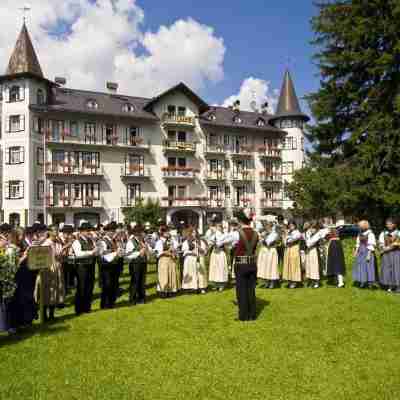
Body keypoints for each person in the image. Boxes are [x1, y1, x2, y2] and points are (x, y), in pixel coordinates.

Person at [218, 209, 259, 321]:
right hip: (252, 263)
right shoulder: (256, 233)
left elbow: (220, 241)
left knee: (241, 289)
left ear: (240, 221)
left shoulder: (236, 233)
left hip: (241, 264)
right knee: (251, 289)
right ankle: (252, 314)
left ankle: (243, 315)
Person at [34, 226, 65, 321]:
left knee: (56, 289)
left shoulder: (58, 242)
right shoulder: (46, 243)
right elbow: (50, 254)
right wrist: (64, 247)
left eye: (57, 231)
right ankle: (44, 314)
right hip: (48, 267)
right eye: (55, 231)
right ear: (50, 232)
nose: (57, 233)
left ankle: (52, 314)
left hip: (57, 266)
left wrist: (63, 249)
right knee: (48, 289)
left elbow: (61, 255)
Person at [71, 221, 97, 314]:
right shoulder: (77, 241)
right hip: (81, 267)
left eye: (89, 230)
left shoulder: (90, 241)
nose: (88, 232)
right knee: (81, 287)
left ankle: (87, 307)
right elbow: (78, 254)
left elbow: (95, 250)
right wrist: (91, 252)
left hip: (90, 265)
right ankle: (79, 309)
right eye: (86, 230)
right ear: (81, 231)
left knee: (89, 287)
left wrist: (96, 251)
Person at [97, 222, 123, 309]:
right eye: (111, 231)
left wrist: (120, 252)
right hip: (106, 266)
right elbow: (102, 254)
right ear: (107, 232)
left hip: (114, 265)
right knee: (107, 285)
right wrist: (115, 253)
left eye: (113, 231)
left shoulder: (114, 240)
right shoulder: (102, 241)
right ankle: (105, 304)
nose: (113, 233)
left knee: (114, 284)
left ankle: (112, 302)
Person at [125, 224, 148, 304]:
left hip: (143, 263)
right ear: (135, 234)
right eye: (138, 233)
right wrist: (139, 253)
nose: (140, 235)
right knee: (135, 281)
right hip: (135, 264)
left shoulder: (143, 241)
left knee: (142, 281)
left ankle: (141, 298)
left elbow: (148, 250)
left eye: (141, 233)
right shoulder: (130, 242)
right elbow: (128, 255)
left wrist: (148, 250)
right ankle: (132, 299)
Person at [181, 228, 208, 294]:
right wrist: (190, 252)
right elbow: (184, 251)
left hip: (199, 258)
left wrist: (199, 247)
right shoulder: (186, 242)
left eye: (195, 232)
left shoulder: (201, 241)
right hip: (190, 259)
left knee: (200, 274)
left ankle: (202, 287)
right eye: (192, 232)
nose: (194, 234)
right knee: (190, 273)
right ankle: (190, 287)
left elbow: (204, 252)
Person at [155, 226, 180, 298]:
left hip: (171, 260)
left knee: (171, 274)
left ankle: (171, 290)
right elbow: (158, 253)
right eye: (167, 232)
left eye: (168, 231)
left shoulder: (171, 241)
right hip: (163, 259)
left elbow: (176, 247)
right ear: (163, 233)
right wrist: (166, 252)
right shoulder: (159, 242)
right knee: (164, 275)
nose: (168, 233)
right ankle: (163, 291)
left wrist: (174, 251)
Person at [353, 220, 377, 289]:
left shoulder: (370, 234)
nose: (359, 227)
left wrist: (369, 254)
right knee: (360, 266)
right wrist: (356, 251)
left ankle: (370, 283)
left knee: (368, 267)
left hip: (367, 251)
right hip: (361, 251)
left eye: (360, 226)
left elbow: (371, 245)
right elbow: (358, 243)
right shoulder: (360, 233)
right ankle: (362, 281)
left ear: (365, 226)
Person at [379, 218, 400, 293]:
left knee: (396, 269)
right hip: (386, 254)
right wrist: (383, 248)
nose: (388, 225)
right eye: (387, 224)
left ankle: (397, 286)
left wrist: (396, 244)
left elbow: (398, 244)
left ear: (394, 224)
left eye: (390, 224)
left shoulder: (398, 233)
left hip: (396, 254)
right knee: (387, 269)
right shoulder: (383, 233)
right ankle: (389, 285)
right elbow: (381, 243)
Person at [206, 222, 228, 291]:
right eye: (217, 227)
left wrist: (217, 243)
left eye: (219, 227)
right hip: (214, 253)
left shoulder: (223, 235)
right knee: (214, 268)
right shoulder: (213, 234)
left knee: (220, 268)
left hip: (220, 253)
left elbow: (223, 243)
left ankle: (221, 284)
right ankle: (215, 284)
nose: (217, 228)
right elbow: (210, 242)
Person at [257, 222, 280, 289]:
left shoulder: (274, 234)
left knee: (272, 266)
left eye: (268, 226)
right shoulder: (264, 233)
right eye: (266, 226)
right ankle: (266, 282)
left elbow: (269, 242)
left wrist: (264, 237)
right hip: (265, 251)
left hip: (271, 251)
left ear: (271, 227)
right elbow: (260, 241)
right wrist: (263, 237)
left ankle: (272, 282)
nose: (267, 228)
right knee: (265, 267)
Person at [282, 221, 303, 289]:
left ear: (295, 225)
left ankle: (294, 281)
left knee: (294, 264)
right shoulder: (288, 232)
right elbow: (284, 242)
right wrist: (285, 237)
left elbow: (292, 239)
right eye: (290, 225)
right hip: (288, 249)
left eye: (292, 225)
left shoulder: (297, 232)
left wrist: (287, 238)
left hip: (294, 249)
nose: (291, 226)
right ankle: (290, 280)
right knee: (288, 264)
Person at [304, 222, 322, 288]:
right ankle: (310, 280)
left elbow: (310, 243)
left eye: (314, 228)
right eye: (311, 228)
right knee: (309, 265)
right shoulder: (308, 233)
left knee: (314, 266)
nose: (312, 229)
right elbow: (306, 241)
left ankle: (316, 282)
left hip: (314, 250)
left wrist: (308, 242)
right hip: (308, 251)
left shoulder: (318, 234)